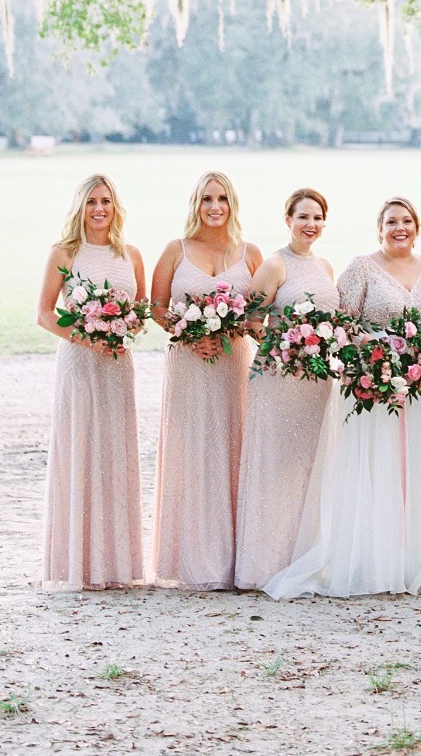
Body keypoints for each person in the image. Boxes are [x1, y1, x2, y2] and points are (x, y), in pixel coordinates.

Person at [266, 197, 421, 598]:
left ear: (417, 226)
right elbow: (341, 323)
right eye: (392, 222)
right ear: (380, 228)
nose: (400, 228)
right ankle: (374, 560)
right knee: (376, 466)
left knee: (418, 466)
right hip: (372, 383)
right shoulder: (361, 267)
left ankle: (416, 559)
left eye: (407, 221)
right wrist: (377, 351)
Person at [150, 171, 262, 590]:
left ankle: (236, 560)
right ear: (195, 204)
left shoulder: (250, 253)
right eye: (206, 199)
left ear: (233, 204)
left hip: (233, 364)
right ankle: (193, 560)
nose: (215, 207)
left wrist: (229, 332)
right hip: (189, 364)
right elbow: (157, 307)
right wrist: (191, 332)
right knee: (193, 449)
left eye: (222, 199)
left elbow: (257, 314)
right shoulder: (175, 251)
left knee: (232, 446)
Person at [38, 173, 146, 590]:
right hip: (80, 363)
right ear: (79, 207)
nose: (99, 209)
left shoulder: (130, 254)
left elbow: (138, 310)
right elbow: (45, 314)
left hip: (119, 365)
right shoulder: (64, 253)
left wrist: (122, 330)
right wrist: (89, 337)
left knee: (115, 453)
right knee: (81, 449)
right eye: (91, 202)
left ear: (115, 206)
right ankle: (77, 564)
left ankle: (116, 565)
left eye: (106, 201)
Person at [235, 187, 339, 590]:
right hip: (279, 377)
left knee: (309, 466)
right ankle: (265, 566)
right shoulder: (275, 265)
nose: (310, 224)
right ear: (288, 220)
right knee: (276, 465)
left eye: (317, 218)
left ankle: (305, 557)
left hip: (315, 382)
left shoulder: (326, 267)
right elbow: (252, 320)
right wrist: (287, 344)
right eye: (303, 217)